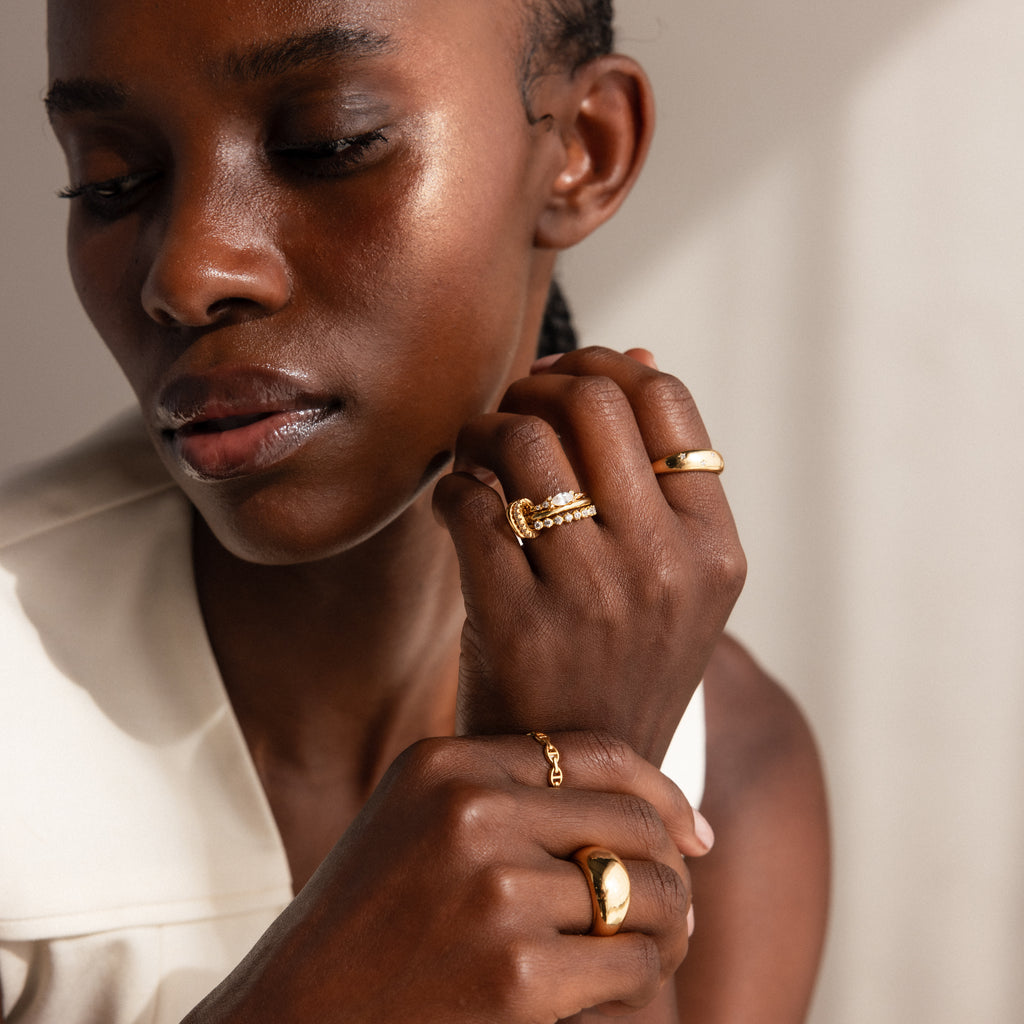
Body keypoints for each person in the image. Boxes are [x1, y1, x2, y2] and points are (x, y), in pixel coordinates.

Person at [0, 0, 829, 1020]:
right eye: (112, 178)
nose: (187, 273)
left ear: (583, 149)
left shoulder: (730, 765)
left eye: (328, 144)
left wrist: (574, 779)